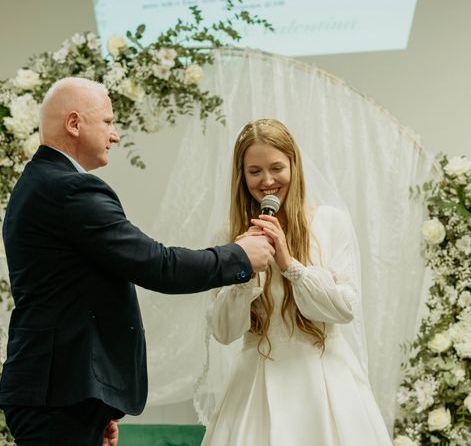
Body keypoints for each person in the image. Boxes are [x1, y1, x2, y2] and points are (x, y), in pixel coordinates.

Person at [0, 77, 274, 445]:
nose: (115, 135)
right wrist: (240, 256)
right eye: (109, 122)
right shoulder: (70, 189)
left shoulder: (40, 181)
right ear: (74, 124)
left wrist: (97, 407)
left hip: (63, 394)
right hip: (59, 399)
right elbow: (158, 265)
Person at [199, 119, 391, 445]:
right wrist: (244, 272)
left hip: (325, 384)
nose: (268, 181)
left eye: (277, 168)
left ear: (294, 166)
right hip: (256, 383)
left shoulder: (330, 223)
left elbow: (345, 308)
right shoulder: (229, 236)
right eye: (255, 171)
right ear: (242, 176)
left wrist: (290, 265)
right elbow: (224, 331)